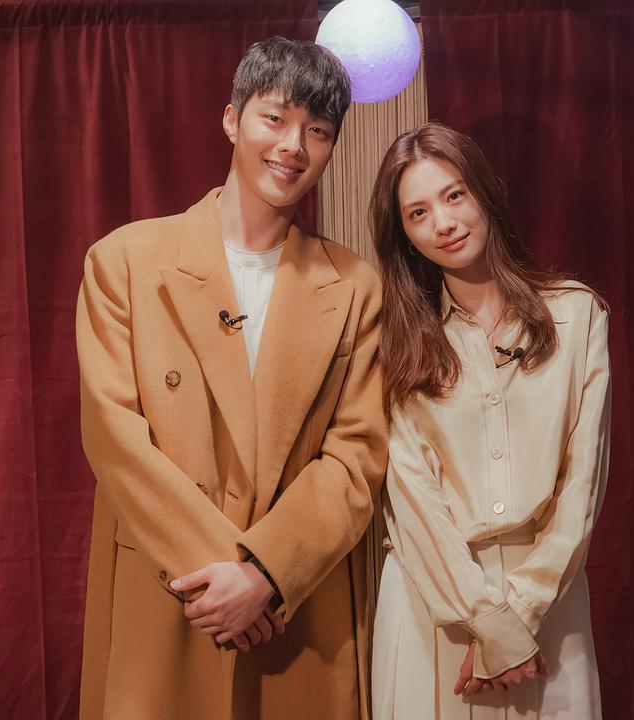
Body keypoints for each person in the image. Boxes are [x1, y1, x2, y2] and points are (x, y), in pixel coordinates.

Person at [76, 37, 387, 720]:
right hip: (172, 586)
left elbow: (357, 455)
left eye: (318, 131)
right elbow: (113, 435)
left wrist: (265, 575)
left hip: (297, 605)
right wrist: (223, 576)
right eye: (275, 118)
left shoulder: (356, 286)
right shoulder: (124, 262)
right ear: (231, 119)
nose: (293, 146)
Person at [369, 122, 609, 719]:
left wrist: (517, 617)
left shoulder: (577, 315)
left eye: (454, 195)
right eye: (418, 213)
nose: (444, 222)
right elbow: (410, 497)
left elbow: (582, 484)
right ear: (404, 235)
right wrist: (487, 621)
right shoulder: (394, 342)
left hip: (547, 600)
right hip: (433, 603)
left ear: (484, 192)